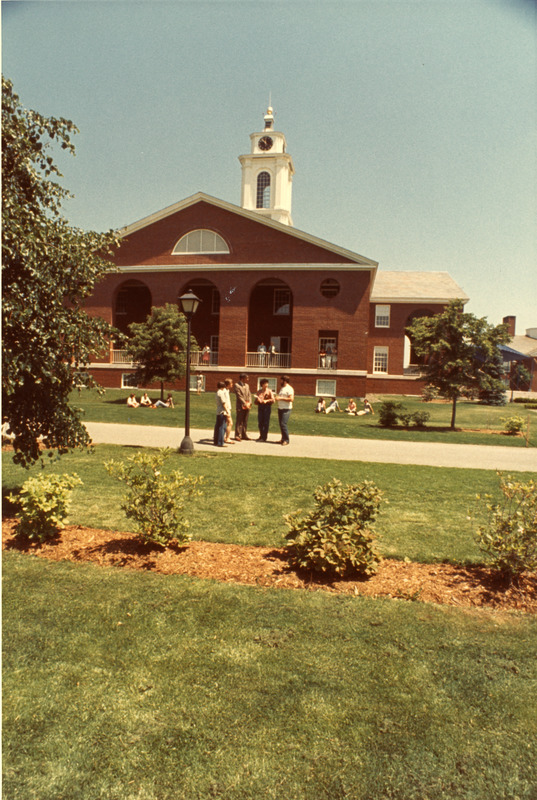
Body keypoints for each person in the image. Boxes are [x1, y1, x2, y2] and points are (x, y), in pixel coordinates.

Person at [275, 375, 294, 446]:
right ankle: (283, 439)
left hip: (286, 409)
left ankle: (286, 440)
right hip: (280, 408)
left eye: (281, 380)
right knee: (281, 424)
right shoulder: (282, 388)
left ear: (285, 381)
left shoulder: (289, 389)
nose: (280, 381)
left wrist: (280, 398)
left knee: (283, 424)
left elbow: (291, 399)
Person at [233, 373, 252, 440]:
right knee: (239, 421)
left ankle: (244, 435)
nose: (248, 379)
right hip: (240, 406)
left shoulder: (247, 385)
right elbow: (239, 396)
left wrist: (249, 403)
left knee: (245, 421)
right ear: (242, 378)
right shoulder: (237, 385)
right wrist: (244, 403)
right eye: (246, 378)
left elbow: (249, 394)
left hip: (247, 406)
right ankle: (237, 435)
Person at [213, 381, 229, 447]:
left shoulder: (217, 392)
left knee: (218, 426)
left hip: (218, 411)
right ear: (223, 387)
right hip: (222, 411)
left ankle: (216, 441)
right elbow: (224, 403)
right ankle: (220, 442)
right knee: (222, 427)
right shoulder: (221, 393)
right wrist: (227, 411)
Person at [223, 378, 234, 444]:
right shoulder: (224, 391)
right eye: (231, 383)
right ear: (228, 384)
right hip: (226, 410)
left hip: (228, 409)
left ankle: (225, 437)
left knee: (227, 423)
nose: (232, 384)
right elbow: (224, 402)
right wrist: (227, 410)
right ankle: (227, 438)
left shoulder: (227, 391)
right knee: (230, 423)